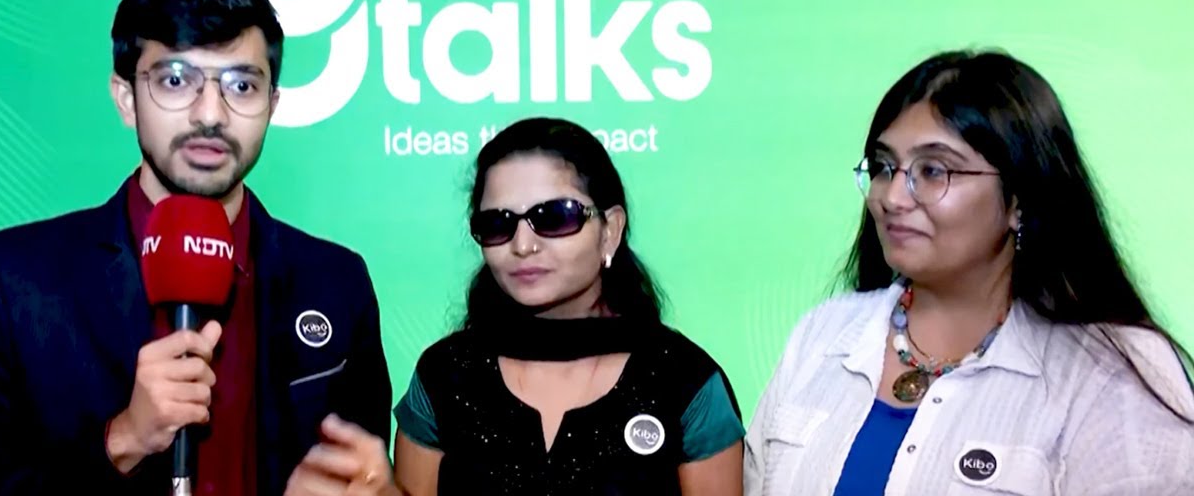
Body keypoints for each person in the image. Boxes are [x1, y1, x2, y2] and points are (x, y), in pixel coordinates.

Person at [0, 0, 392, 496]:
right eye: (175, 81)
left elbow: (364, 472)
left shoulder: (336, 280)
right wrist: (124, 439)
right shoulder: (11, 279)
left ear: (272, 104)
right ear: (126, 98)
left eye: (242, 86)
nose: (211, 115)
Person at [743, 49, 1194, 496]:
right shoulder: (823, 334)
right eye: (884, 167)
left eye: (933, 170)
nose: (892, 197)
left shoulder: (1110, 371)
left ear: (1019, 199)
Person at [287, 117, 745, 495]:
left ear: (611, 230)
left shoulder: (685, 383)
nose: (523, 245)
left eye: (555, 217)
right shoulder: (445, 377)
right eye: (497, 224)